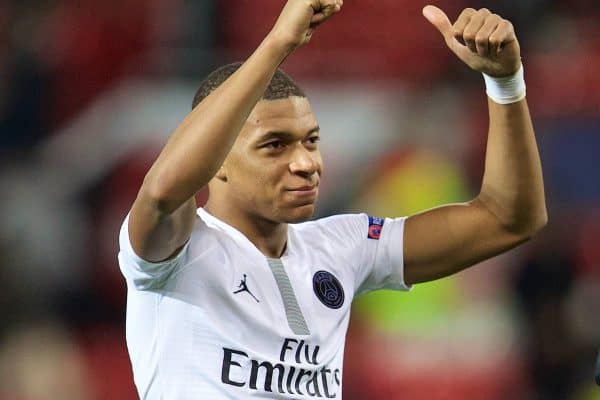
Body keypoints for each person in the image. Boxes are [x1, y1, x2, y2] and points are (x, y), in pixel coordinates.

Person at [117, 1, 547, 398]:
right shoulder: (173, 254)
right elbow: (160, 193)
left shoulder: (342, 247)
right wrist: (277, 43)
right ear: (218, 161)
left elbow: (509, 219)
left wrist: (505, 83)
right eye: (275, 145)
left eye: (311, 141)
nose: (306, 162)